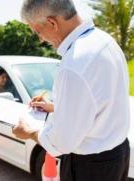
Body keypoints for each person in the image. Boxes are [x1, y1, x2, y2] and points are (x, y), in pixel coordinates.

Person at [12, 0, 131, 181]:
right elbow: (101, 102)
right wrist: (55, 107)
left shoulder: (74, 64)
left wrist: (28, 131)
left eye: (37, 31)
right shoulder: (104, 41)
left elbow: (61, 143)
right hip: (118, 154)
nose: (40, 39)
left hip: (90, 167)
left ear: (52, 23)